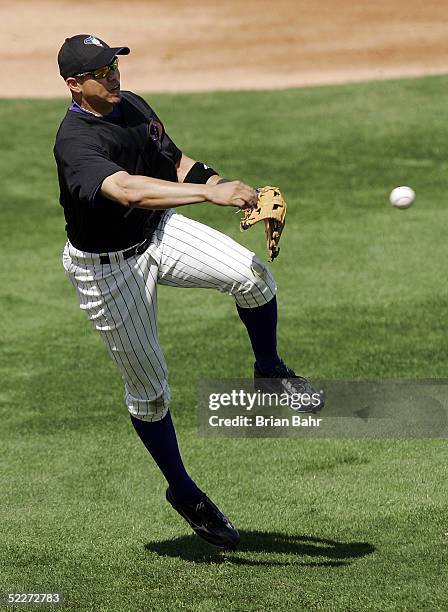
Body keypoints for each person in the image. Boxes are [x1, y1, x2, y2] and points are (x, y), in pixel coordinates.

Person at [54, 34, 322, 550]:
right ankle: (183, 491)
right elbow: (127, 188)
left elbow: (172, 160)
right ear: (74, 85)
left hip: (156, 232)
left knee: (252, 276)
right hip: (107, 272)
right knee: (151, 393)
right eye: (101, 72)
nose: (112, 76)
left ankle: (269, 371)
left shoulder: (129, 104)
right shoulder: (75, 141)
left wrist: (225, 184)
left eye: (114, 65)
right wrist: (209, 194)